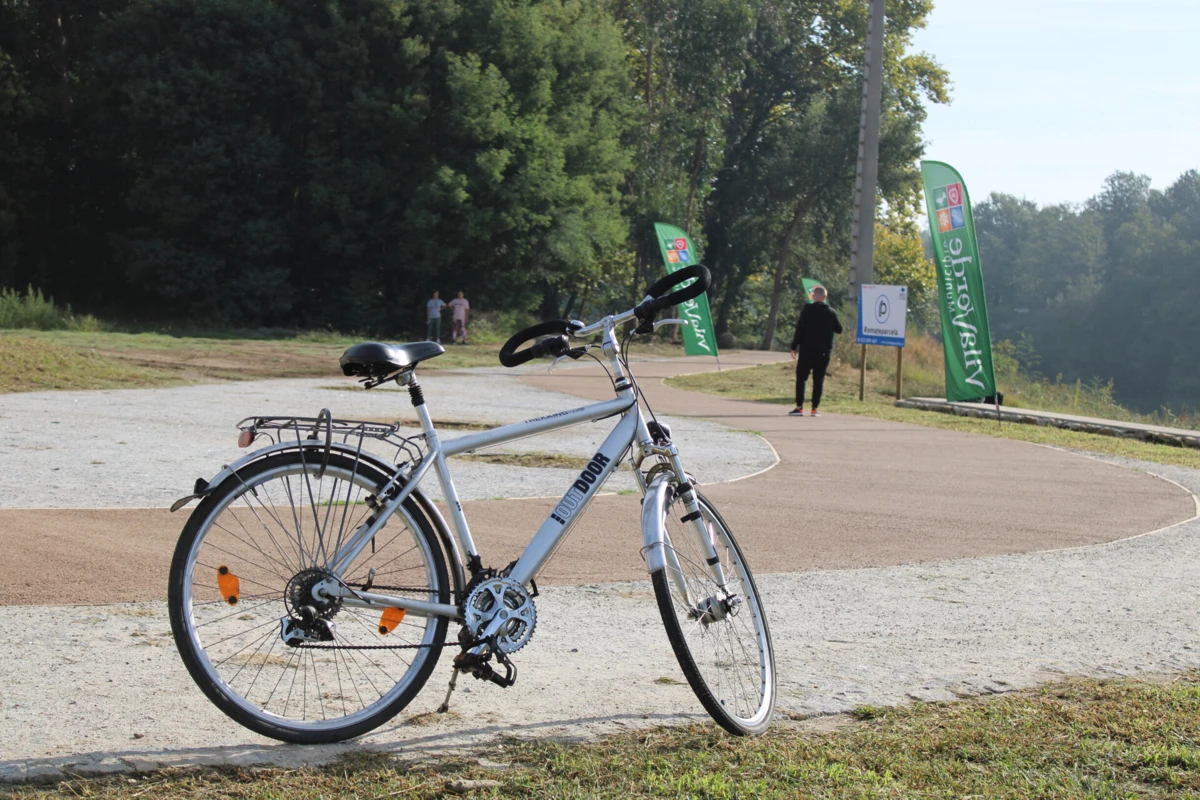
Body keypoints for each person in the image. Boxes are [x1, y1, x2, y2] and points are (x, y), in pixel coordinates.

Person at [789, 285, 842, 417]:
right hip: (824, 352)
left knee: (801, 378)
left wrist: (794, 346)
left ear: (813, 296)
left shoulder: (807, 310)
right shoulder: (831, 312)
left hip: (807, 350)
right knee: (818, 380)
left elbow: (800, 329)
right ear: (825, 297)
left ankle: (799, 408)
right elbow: (839, 329)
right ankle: (814, 409)